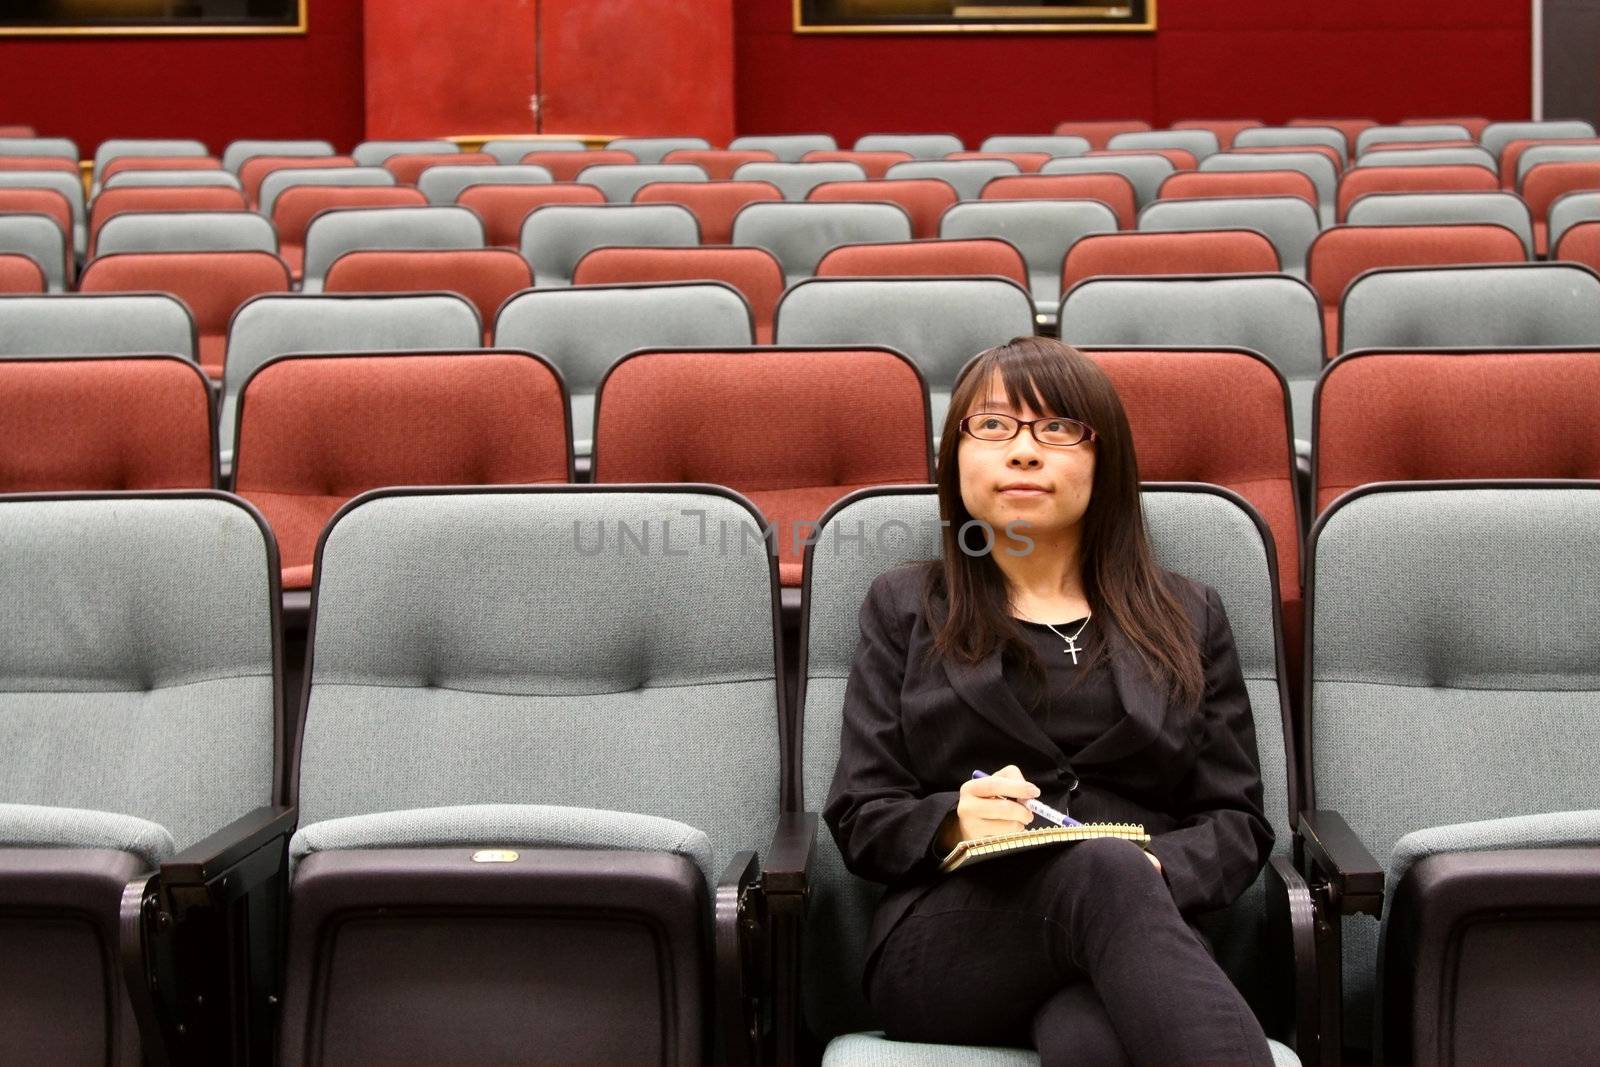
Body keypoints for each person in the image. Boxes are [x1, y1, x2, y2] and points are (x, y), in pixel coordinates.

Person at [823, 336, 1276, 1066]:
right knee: (1104, 874)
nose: (1024, 452)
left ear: (1106, 460)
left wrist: (1155, 867)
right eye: (994, 425)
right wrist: (951, 822)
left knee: (1091, 1035)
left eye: (1059, 428)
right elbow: (860, 811)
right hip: (952, 939)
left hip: (1136, 929)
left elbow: (1237, 820)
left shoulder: (1189, 614)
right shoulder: (905, 606)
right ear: (956, 457)